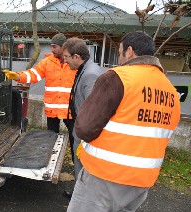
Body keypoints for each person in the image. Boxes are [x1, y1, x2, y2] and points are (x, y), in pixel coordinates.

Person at [68, 31, 181, 212]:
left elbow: (84, 128)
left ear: (129, 52)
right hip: (141, 181)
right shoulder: (170, 91)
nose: (119, 58)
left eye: (120, 52)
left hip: (104, 176)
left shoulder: (118, 77)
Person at [3, 33, 77, 163]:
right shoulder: (47, 62)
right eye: (51, 47)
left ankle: (75, 162)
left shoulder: (72, 63)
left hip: (69, 110)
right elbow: (33, 74)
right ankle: (49, 161)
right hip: (52, 110)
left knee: (74, 138)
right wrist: (18, 76)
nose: (52, 50)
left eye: (54, 47)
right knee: (50, 138)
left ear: (63, 47)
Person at [61, 37, 104, 199]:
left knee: (84, 164)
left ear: (76, 57)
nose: (64, 61)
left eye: (66, 57)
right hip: (81, 126)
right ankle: (80, 193)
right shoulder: (87, 69)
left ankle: (82, 198)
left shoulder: (90, 74)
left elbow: (94, 111)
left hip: (86, 131)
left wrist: (82, 133)